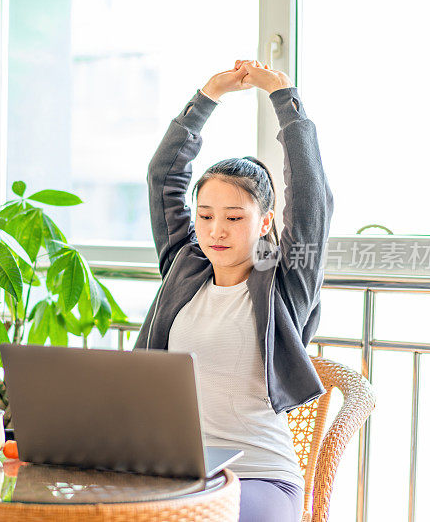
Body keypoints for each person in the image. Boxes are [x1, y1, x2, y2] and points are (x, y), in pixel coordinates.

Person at [133, 59, 334, 522]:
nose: (215, 231)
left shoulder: (285, 282)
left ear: (265, 223)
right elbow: (162, 178)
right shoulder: (184, 269)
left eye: (234, 217)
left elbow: (311, 197)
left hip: (260, 476)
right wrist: (206, 97)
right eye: (204, 216)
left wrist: (285, 99)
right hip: (176, 473)